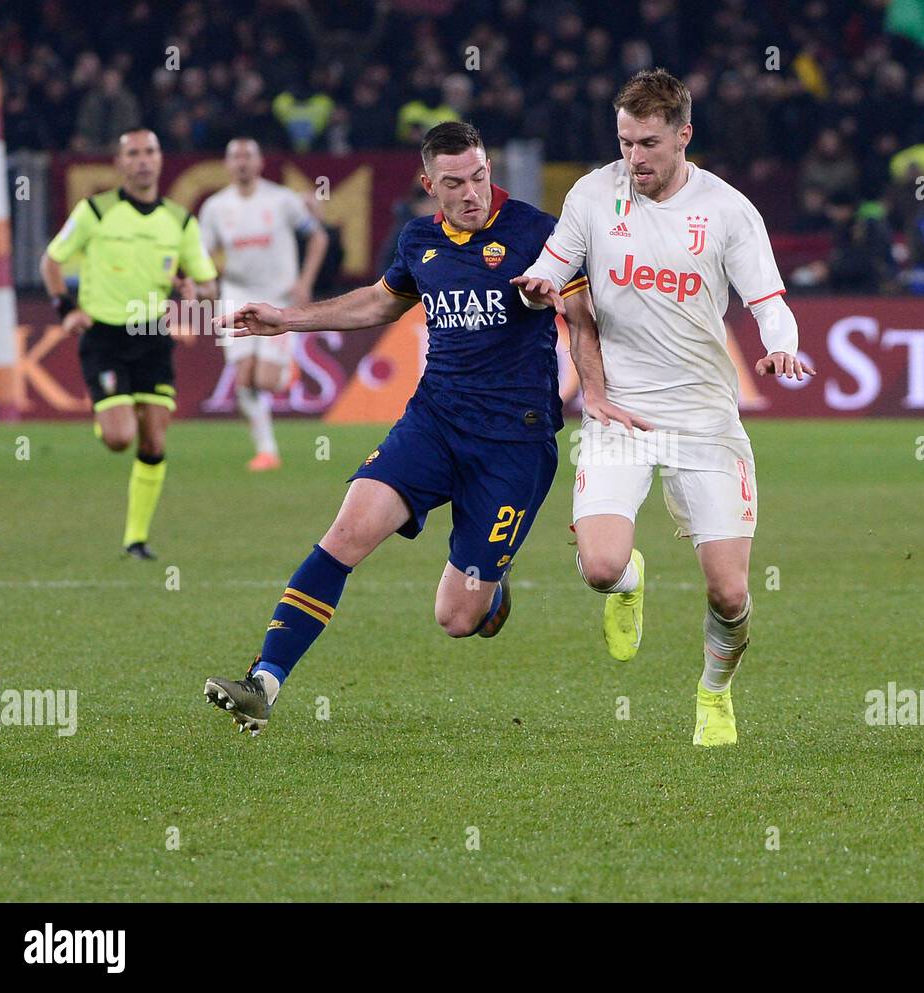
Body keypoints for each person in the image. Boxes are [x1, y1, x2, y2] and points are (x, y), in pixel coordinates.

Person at [203, 122, 588, 735]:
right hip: (432, 425)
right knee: (347, 532)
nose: (471, 193)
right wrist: (286, 319)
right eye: (455, 183)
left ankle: (492, 585)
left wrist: (594, 375)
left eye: (480, 177)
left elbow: (587, 315)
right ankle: (264, 682)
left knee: (458, 618)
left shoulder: (540, 235)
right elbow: (380, 303)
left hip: (515, 443)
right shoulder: (418, 241)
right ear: (428, 184)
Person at [513, 69, 813, 747]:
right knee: (597, 566)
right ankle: (628, 579)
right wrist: (539, 286)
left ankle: (714, 693)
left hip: (705, 417)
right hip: (621, 413)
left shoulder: (730, 211)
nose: (634, 158)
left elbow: (768, 300)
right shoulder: (593, 194)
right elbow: (554, 267)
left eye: (648, 142)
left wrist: (781, 348)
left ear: (684, 135)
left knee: (730, 595)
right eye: (624, 141)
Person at [39, 128, 218, 559]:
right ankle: (112, 414)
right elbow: (51, 260)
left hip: (152, 335)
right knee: (120, 438)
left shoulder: (179, 220)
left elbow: (209, 285)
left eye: (150, 152)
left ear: (160, 160)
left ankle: (136, 540)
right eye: (133, 153)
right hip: (104, 336)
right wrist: (66, 310)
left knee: (154, 442)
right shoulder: (95, 212)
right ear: (120, 163)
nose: (142, 160)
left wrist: (193, 289)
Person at [198, 138, 329, 470]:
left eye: (248, 156)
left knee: (266, 381)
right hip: (236, 294)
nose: (241, 162)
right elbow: (200, 253)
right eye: (235, 157)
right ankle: (267, 451)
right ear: (227, 165)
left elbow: (318, 236)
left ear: (259, 163)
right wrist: (207, 281)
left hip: (278, 297)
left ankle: (287, 369)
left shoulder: (282, 200)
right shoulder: (215, 208)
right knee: (243, 379)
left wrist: (305, 282)